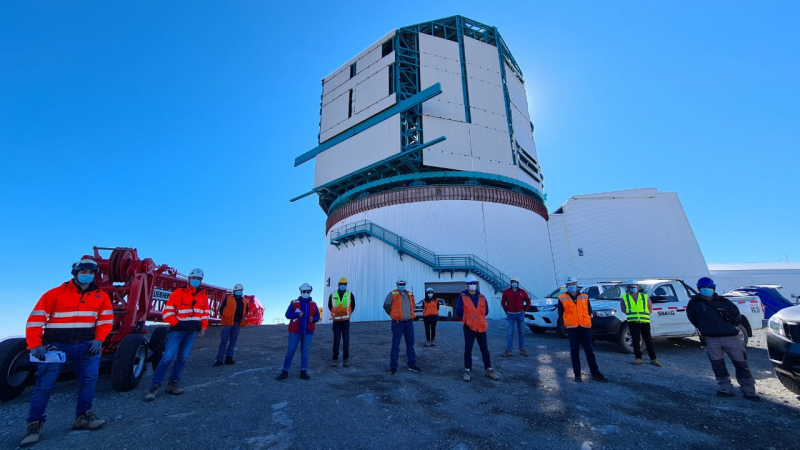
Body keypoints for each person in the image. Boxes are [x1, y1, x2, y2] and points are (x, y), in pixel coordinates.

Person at [20, 258, 113, 447]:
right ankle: (34, 426)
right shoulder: (54, 294)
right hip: (56, 347)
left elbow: (105, 321)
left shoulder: (101, 296)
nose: (87, 274)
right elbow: (36, 321)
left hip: (87, 346)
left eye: (91, 271)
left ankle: (83, 418)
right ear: (75, 273)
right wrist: (35, 344)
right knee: (44, 386)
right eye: (83, 270)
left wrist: (99, 339)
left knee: (88, 382)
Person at [687, 277, 759, 401]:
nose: (706, 290)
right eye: (703, 288)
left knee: (741, 363)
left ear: (713, 288)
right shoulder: (694, 303)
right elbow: (692, 318)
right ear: (699, 289)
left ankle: (749, 390)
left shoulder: (723, 302)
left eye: (708, 288)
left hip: (731, 337)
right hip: (711, 339)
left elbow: (736, 316)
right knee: (717, 365)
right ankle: (725, 388)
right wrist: (705, 328)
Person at [145, 268, 210, 401]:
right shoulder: (178, 293)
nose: (196, 281)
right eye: (194, 278)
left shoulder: (203, 296)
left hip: (191, 333)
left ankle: (172, 385)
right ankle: (154, 387)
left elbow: (204, 314)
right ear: (189, 279)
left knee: (182, 358)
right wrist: (176, 323)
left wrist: (203, 328)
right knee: (167, 358)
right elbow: (167, 311)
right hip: (177, 332)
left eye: (198, 279)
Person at [557, 275, 608, 383]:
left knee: (589, 351)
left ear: (576, 284)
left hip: (585, 327)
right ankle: (577, 375)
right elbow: (561, 314)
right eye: (570, 285)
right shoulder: (562, 298)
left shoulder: (585, 296)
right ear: (566, 286)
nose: (572, 286)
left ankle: (595, 373)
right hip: (572, 328)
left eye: (573, 284)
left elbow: (589, 310)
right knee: (574, 351)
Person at [457, 274, 500, 382]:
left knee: (485, 349)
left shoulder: (482, 297)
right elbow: (459, 311)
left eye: (474, 283)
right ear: (467, 285)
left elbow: (486, 311)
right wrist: (468, 319)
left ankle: (488, 369)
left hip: (481, 326)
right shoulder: (462, 296)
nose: (473, 285)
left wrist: (477, 317)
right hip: (469, 327)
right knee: (468, 349)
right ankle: (467, 371)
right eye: (471, 283)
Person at [276, 283, 320, 380]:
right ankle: (285, 371)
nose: (306, 293)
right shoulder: (294, 303)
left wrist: (314, 318)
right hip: (295, 331)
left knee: (305, 351)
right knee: (291, 350)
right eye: (304, 291)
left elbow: (318, 316)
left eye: (308, 292)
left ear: (310, 292)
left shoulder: (313, 304)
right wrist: (297, 315)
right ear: (301, 292)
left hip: (308, 331)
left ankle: (303, 371)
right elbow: (288, 314)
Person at [383, 277, 421, 374]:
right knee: (396, 345)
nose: (402, 285)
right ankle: (393, 366)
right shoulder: (392, 294)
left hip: (409, 322)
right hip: (398, 323)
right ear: (397, 284)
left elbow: (413, 306)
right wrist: (393, 315)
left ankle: (412, 364)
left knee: (410, 344)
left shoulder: (410, 294)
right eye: (400, 284)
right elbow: (386, 306)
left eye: (403, 284)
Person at [620, 280, 662, 367]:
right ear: (628, 288)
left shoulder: (644, 297)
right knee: (635, 340)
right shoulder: (625, 297)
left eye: (634, 287)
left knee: (648, 340)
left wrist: (643, 315)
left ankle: (653, 359)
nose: (633, 289)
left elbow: (650, 308)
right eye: (631, 287)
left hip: (644, 321)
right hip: (633, 322)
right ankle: (638, 358)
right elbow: (623, 309)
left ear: (638, 287)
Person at [214, 283, 249, 366]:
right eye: (238, 290)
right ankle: (219, 359)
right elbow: (221, 310)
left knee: (233, 341)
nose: (239, 292)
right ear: (234, 291)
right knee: (224, 341)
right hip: (227, 323)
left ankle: (229, 357)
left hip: (237, 324)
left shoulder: (244, 301)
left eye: (240, 291)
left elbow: (246, 311)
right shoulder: (228, 299)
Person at [501, 276, 531, 357]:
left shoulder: (523, 292)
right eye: (512, 282)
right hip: (510, 314)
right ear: (510, 283)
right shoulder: (506, 292)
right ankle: (509, 350)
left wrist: (524, 310)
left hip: (520, 314)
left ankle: (522, 349)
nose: (514, 283)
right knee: (509, 333)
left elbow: (528, 301)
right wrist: (506, 311)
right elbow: (503, 302)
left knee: (521, 332)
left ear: (518, 283)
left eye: (515, 282)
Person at [329, 277, 355, 367]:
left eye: (344, 284)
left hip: (345, 321)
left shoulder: (349, 294)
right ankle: (335, 359)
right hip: (336, 321)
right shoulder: (333, 294)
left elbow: (353, 306)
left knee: (346, 341)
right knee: (336, 341)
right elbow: (330, 306)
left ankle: (345, 360)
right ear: (338, 285)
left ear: (346, 285)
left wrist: (347, 314)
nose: (343, 286)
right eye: (341, 284)